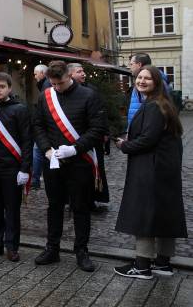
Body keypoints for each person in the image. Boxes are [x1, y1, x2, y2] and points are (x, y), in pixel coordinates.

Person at [113, 66, 187, 280]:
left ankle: (142, 266)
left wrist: (125, 145)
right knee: (164, 214)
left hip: (150, 168)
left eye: (147, 78)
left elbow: (148, 139)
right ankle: (163, 263)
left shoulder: (154, 106)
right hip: (164, 168)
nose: (141, 81)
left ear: (157, 83)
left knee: (144, 214)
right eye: (139, 77)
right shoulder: (164, 103)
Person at [33, 61, 107, 272]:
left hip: (80, 162)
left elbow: (97, 129)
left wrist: (75, 149)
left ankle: (81, 251)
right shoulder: (45, 96)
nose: (57, 87)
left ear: (69, 76)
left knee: (80, 207)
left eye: (61, 83)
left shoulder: (88, 96)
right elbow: (38, 125)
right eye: (53, 84)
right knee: (54, 206)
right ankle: (52, 248)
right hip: (53, 161)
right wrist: (46, 149)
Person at [0, 72, 32, 262]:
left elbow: (27, 141)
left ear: (9, 88)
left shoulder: (20, 109)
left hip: (12, 169)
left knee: (12, 210)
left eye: (2, 86)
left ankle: (12, 247)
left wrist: (25, 169)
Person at [68, 63, 110, 211]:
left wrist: (105, 132)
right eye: (79, 71)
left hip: (92, 138)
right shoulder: (63, 91)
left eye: (83, 71)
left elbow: (101, 112)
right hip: (73, 138)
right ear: (70, 75)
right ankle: (73, 200)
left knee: (94, 170)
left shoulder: (91, 90)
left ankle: (92, 200)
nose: (83, 74)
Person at [31, 64, 51, 190]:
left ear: (42, 73)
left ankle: (35, 180)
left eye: (35, 74)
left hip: (45, 126)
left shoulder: (46, 85)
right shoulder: (45, 84)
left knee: (37, 152)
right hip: (45, 125)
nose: (34, 77)